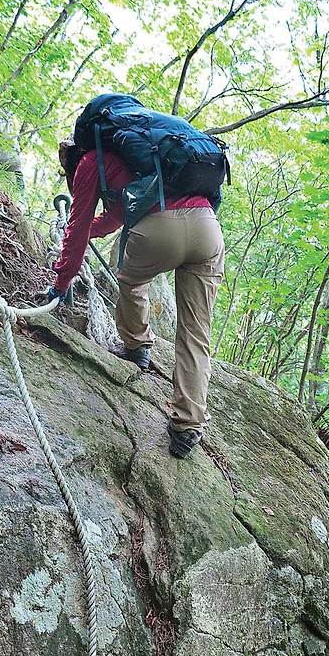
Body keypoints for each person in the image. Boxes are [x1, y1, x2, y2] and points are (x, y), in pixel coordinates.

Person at [50, 139, 225, 459]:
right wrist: (90, 231)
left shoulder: (90, 161)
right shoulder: (149, 157)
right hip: (208, 228)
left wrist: (62, 282)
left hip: (161, 228)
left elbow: (77, 230)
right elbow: (113, 219)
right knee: (196, 332)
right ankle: (188, 426)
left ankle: (138, 345)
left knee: (131, 281)